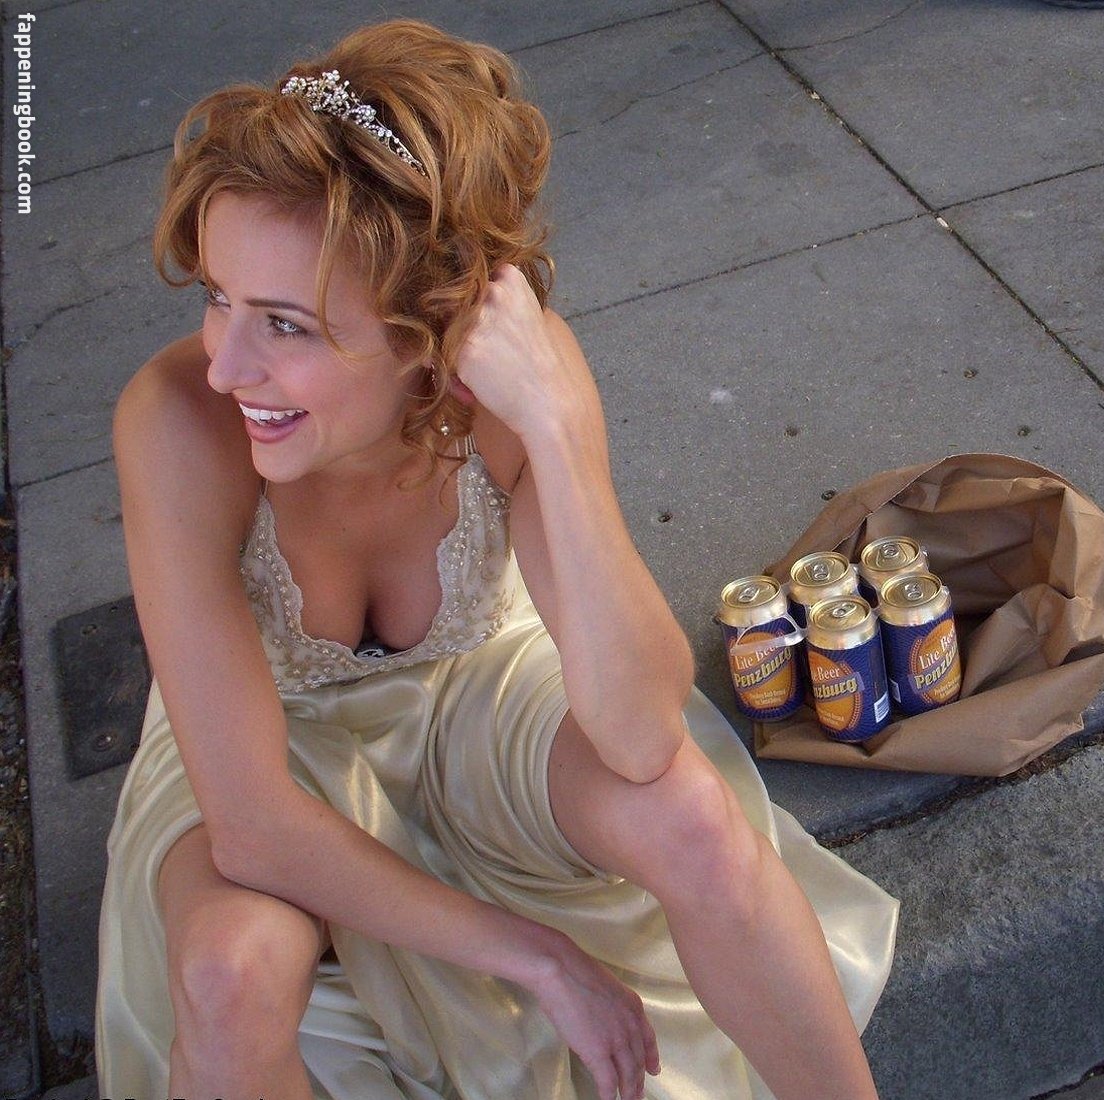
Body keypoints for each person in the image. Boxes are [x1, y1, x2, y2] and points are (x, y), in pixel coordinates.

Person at [95, 19, 897, 1100]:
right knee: (228, 972)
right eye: (217, 299)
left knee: (695, 821)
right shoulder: (176, 422)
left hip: (476, 696)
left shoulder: (512, 391)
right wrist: (534, 954)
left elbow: (638, 731)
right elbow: (252, 827)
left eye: (284, 324)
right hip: (271, 742)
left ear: (423, 328)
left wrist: (558, 433)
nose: (225, 364)